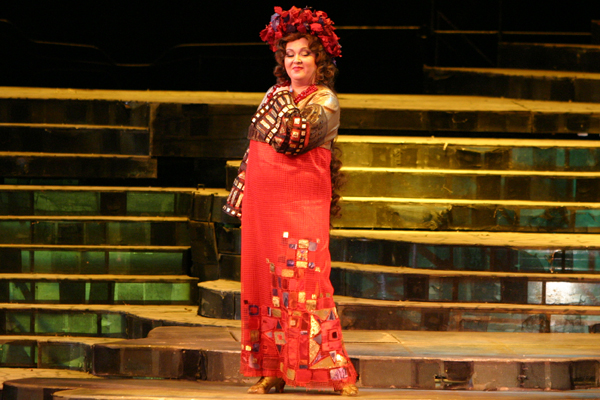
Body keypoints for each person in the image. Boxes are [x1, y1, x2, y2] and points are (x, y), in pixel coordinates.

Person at [223, 5, 358, 396]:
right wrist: (240, 195)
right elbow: (254, 147)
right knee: (264, 286)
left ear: (319, 59)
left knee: (307, 284)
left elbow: (291, 139)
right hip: (263, 204)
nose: (296, 60)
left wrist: (278, 108)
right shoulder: (275, 94)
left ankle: (336, 372)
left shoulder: (326, 101)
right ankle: (273, 369)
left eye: (304, 53)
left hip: (300, 204)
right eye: (290, 54)